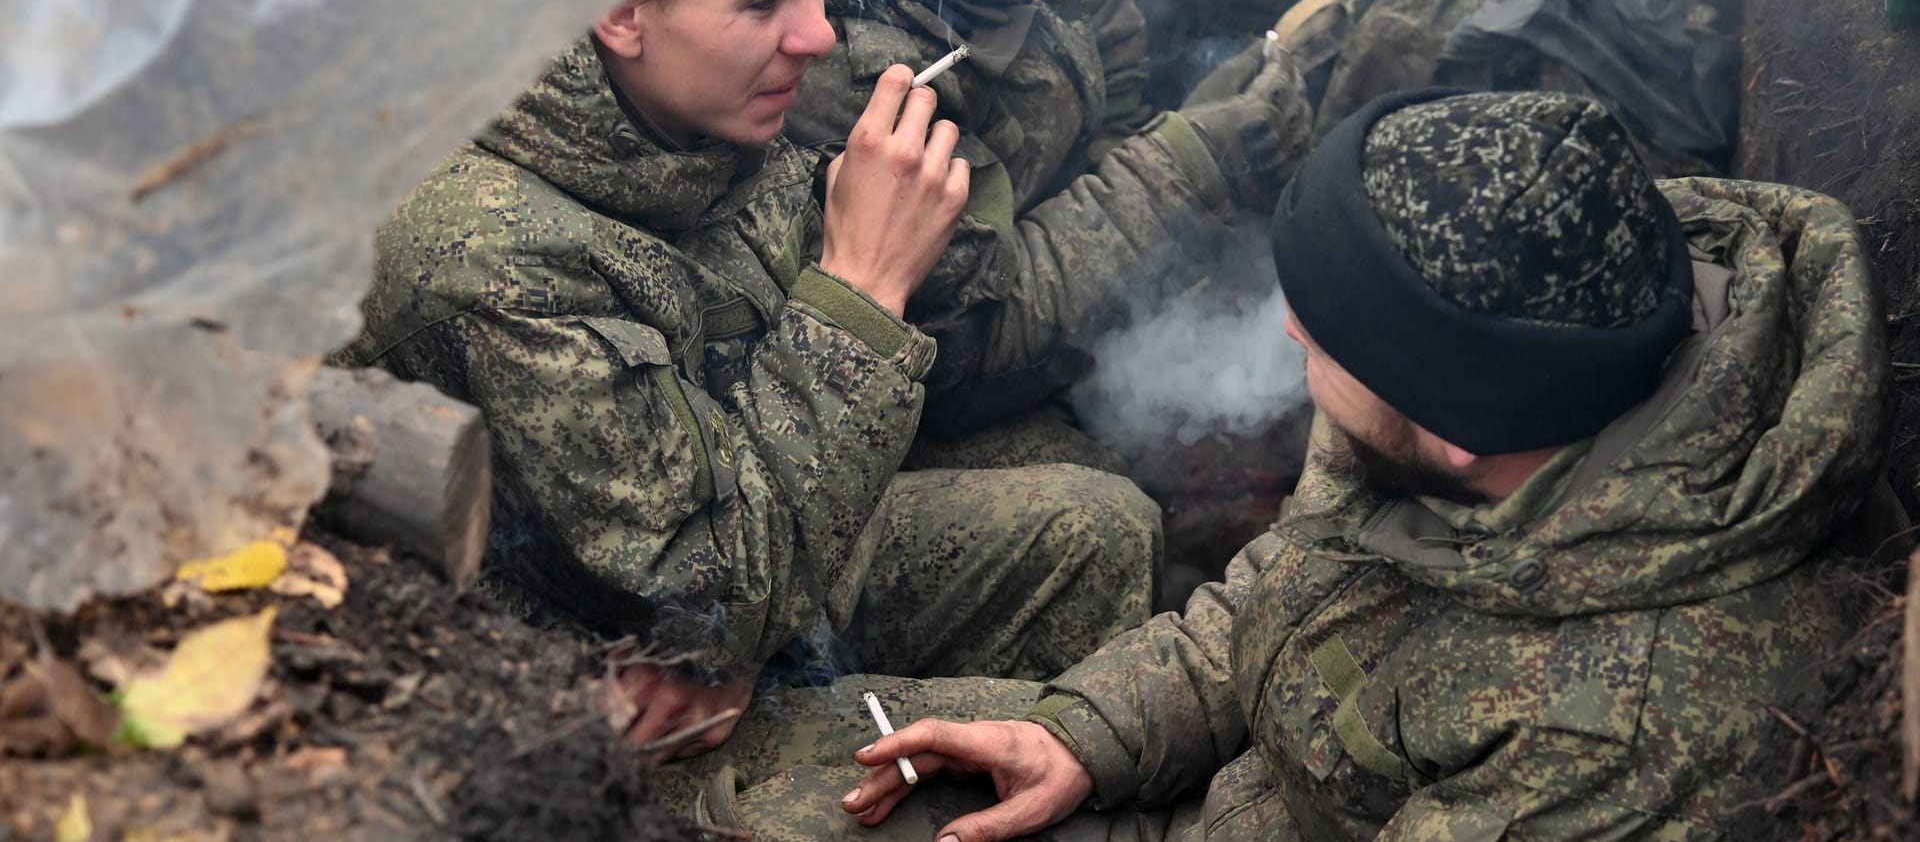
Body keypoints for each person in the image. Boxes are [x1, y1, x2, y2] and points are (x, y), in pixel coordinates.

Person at [679, 89, 1892, 839]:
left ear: (1461, 425)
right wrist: (1086, 735)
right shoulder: (1507, 366)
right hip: (1244, 780)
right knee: (769, 781)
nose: (1293, 336)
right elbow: (1294, 589)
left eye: (1325, 330)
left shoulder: (1614, 741)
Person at [342, 0, 1289, 763]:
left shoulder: (679, 106)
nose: (819, 33)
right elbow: (706, 598)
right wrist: (863, 286)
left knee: (1101, 526)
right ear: (621, 12)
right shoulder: (495, 256)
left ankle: (1055, 759)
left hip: (749, 546)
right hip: (602, 706)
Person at [789, 0, 1313, 456]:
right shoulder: (821, 65)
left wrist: (1151, 157)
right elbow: (963, 353)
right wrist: (1185, 166)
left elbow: (1118, 69)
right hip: (902, 381)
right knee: (1090, 485)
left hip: (1049, 247)